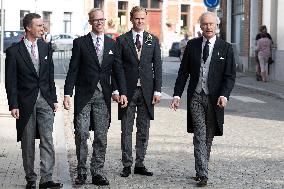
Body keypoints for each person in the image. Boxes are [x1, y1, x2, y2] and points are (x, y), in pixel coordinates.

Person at [170, 12, 236, 187]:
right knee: (199, 133)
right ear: (200, 26)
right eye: (205, 24)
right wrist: (177, 95)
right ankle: (203, 173)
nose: (208, 27)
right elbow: (183, 72)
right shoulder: (192, 46)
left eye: (211, 24)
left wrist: (224, 95)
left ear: (216, 26)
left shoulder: (226, 48)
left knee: (208, 136)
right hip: (196, 96)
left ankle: (201, 167)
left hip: (215, 99)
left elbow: (229, 76)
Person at [63, 8, 127, 186]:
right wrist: (68, 93)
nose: (100, 23)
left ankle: (97, 172)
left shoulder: (112, 44)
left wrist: (121, 91)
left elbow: (118, 70)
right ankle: (81, 172)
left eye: (102, 20)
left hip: (103, 97)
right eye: (96, 20)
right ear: (90, 22)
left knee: (101, 135)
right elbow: (73, 70)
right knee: (82, 134)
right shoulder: (80, 43)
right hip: (84, 95)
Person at [5, 13, 62, 189]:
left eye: (42, 25)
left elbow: (50, 76)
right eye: (38, 25)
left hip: (45, 100)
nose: (42, 28)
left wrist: (53, 99)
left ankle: (46, 179)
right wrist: (13, 104)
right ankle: (31, 179)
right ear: (29, 27)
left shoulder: (46, 48)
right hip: (25, 103)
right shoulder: (14, 51)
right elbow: (10, 81)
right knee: (28, 142)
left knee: (47, 139)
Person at [113, 6, 162, 178]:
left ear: (145, 19)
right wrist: (119, 90)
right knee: (126, 129)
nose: (140, 21)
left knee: (144, 129)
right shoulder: (122, 40)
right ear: (131, 19)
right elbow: (117, 67)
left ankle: (140, 164)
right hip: (127, 92)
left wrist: (158, 91)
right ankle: (127, 164)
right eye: (136, 18)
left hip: (147, 92)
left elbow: (158, 67)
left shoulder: (153, 40)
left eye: (142, 18)